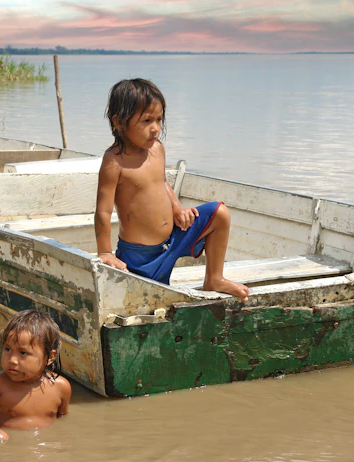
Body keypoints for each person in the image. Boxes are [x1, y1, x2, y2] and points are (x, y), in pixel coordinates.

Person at [94, 79, 250, 301]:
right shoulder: (114, 162)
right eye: (146, 120)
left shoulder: (157, 149)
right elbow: (103, 211)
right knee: (144, 303)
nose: (155, 128)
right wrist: (105, 252)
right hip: (141, 257)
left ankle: (214, 278)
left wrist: (177, 208)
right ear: (119, 122)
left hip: (175, 238)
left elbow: (162, 183)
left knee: (220, 214)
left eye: (159, 119)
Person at [0, 310, 71, 442]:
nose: (12, 360)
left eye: (23, 353)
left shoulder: (61, 387)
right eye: (7, 349)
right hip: (5, 450)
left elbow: (63, 421)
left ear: (50, 357)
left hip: (41, 451)